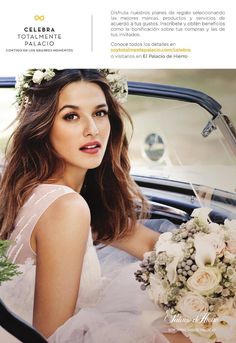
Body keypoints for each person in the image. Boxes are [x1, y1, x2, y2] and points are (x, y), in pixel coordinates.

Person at [0, 69, 191, 343]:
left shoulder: (33, 191)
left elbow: (156, 248)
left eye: (100, 113)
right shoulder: (66, 207)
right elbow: (51, 337)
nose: (92, 129)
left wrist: (220, 259)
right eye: (71, 116)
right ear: (42, 127)